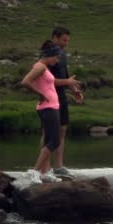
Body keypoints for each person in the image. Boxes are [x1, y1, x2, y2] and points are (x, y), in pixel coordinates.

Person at [21, 40, 63, 180]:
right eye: (56, 57)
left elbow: (48, 87)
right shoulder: (41, 67)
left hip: (51, 107)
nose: (57, 60)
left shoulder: (42, 67)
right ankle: (36, 171)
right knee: (55, 141)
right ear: (49, 55)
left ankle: (44, 172)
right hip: (48, 107)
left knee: (48, 141)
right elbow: (25, 81)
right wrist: (39, 94)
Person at [47, 26, 83, 176]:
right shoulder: (47, 55)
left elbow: (67, 77)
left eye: (67, 40)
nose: (66, 43)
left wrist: (74, 90)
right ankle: (45, 167)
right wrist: (67, 82)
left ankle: (58, 166)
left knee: (62, 130)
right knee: (48, 132)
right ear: (55, 37)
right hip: (49, 96)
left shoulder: (62, 54)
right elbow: (46, 81)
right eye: (63, 40)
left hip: (61, 96)